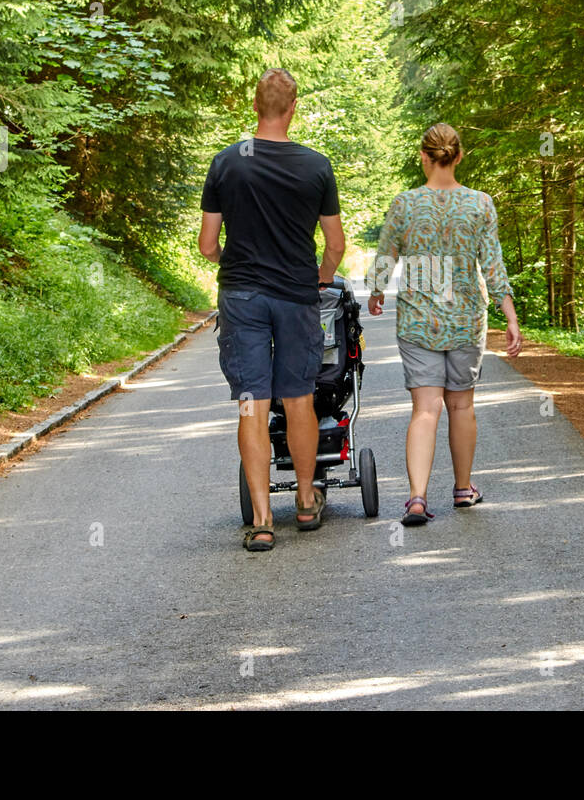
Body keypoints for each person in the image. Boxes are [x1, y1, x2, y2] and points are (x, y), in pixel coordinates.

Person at [198, 68, 346, 552]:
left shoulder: (226, 163)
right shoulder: (315, 166)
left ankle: (262, 520)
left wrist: (231, 263)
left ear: (254, 106)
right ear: (294, 107)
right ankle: (306, 501)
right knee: (299, 397)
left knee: (251, 401)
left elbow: (206, 244)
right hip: (297, 296)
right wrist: (322, 275)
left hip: (242, 297)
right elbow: (336, 243)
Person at [367, 123, 522, 526]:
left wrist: (377, 291)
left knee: (425, 408)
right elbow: (492, 264)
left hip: (419, 321)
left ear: (424, 156)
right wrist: (510, 314)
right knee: (461, 404)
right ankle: (463, 489)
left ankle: (416, 498)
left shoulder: (405, 204)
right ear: (458, 156)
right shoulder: (480, 204)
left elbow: (387, 255)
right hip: (466, 319)